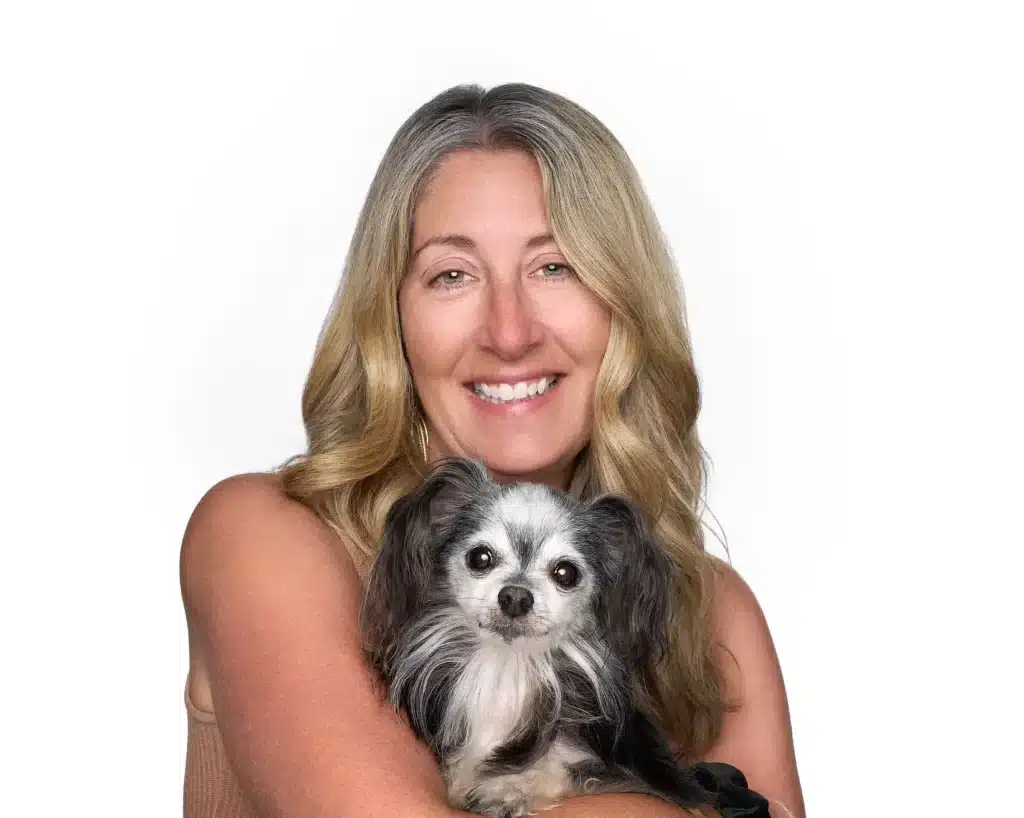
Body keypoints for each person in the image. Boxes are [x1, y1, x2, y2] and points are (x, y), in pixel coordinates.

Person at [179, 82, 806, 818]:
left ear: (625, 304)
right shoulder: (265, 536)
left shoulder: (710, 609)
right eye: (452, 275)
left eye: (555, 267)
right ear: (391, 317)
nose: (510, 332)